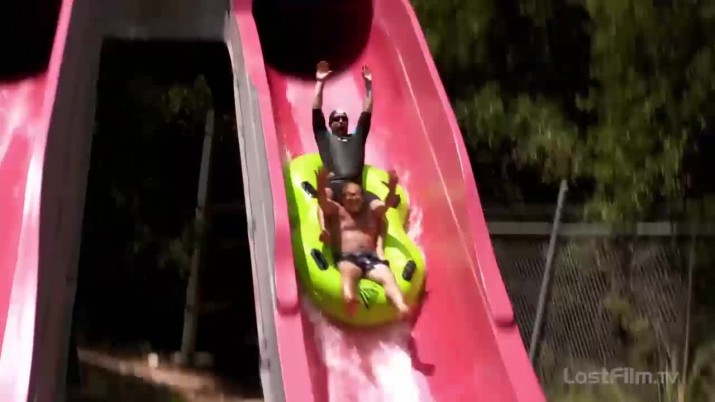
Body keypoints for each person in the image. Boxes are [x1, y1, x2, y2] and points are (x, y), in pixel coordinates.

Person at [315, 167, 410, 319]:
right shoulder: (338, 211)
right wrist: (321, 183)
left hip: (371, 258)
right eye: (349, 195)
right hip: (348, 258)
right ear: (343, 198)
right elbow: (322, 202)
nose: (353, 199)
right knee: (348, 276)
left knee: (388, 277)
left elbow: (386, 206)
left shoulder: (370, 212)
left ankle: (400, 305)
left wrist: (392, 188)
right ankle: (350, 300)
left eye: (356, 195)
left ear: (363, 197)